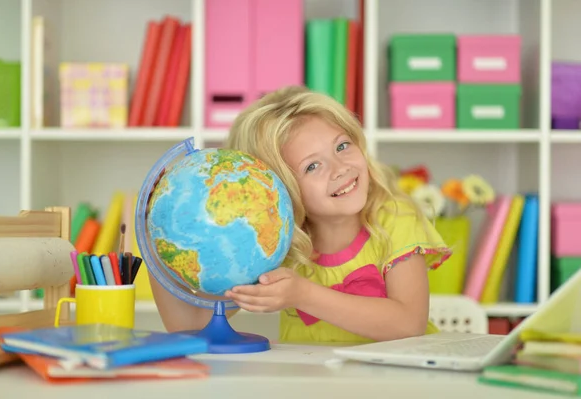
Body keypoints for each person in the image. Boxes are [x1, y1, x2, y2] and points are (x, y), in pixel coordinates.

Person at [150, 86, 452, 344]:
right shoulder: (274, 244)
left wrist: (303, 295)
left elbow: (408, 323)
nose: (340, 168)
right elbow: (190, 327)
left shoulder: (395, 217)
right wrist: (158, 235)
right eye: (312, 166)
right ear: (277, 190)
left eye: (343, 146)